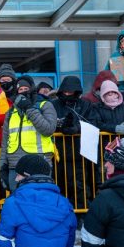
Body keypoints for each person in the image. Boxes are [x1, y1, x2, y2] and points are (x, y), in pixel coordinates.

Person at [0, 75, 57, 192]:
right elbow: (5, 141)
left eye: (26, 89)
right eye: (20, 90)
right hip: (14, 164)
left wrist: (29, 108)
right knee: (17, 199)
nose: (23, 92)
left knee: (40, 198)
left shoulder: (45, 105)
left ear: (32, 89)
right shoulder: (11, 112)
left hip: (39, 163)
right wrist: (2, 166)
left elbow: (48, 129)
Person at [51, 76, 92, 212]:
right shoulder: (54, 105)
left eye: (71, 91)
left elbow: (93, 122)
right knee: (58, 185)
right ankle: (59, 213)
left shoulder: (85, 105)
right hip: (58, 153)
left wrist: (76, 128)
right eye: (65, 91)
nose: (68, 94)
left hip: (79, 153)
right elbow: (48, 123)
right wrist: (60, 126)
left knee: (79, 186)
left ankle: (80, 213)